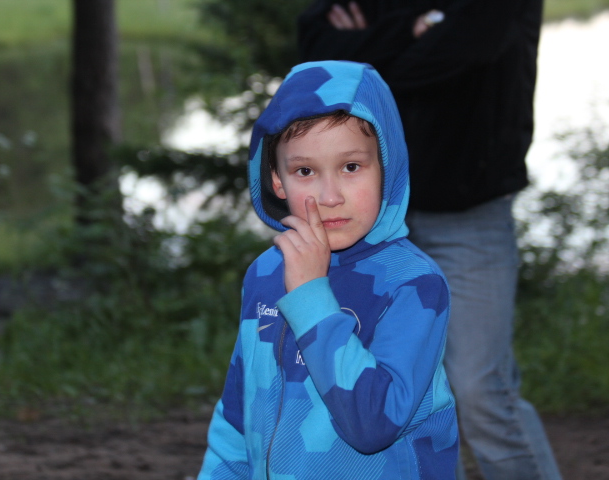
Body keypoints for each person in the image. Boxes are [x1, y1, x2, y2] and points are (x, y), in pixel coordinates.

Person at [297, 2, 562, 480]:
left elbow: (461, 51)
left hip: (469, 215)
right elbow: (318, 51)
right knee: (393, 392)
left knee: (481, 391)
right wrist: (412, 29)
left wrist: (368, 51)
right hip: (368, 221)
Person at [198, 60, 459, 479]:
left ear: (387, 166)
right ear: (278, 180)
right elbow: (238, 411)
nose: (330, 196)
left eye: (351, 167)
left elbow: (373, 426)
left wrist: (311, 297)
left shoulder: (413, 285)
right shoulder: (266, 272)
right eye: (305, 171)